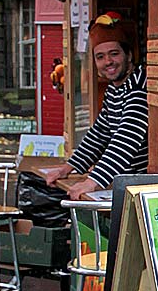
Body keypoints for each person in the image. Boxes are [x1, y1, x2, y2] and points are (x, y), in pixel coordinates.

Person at [45, 12, 148, 200]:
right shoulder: (114, 90)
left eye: (114, 54)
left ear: (130, 55)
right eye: (100, 57)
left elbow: (126, 139)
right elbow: (99, 132)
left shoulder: (140, 87)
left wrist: (92, 182)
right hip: (127, 182)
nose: (107, 62)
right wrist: (67, 168)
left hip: (143, 186)